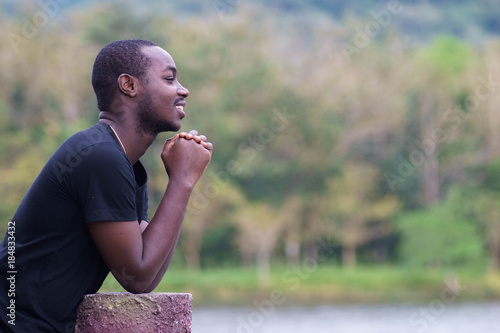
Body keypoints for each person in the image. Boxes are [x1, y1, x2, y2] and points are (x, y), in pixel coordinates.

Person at [0, 39, 212, 332]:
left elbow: (146, 275)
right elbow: (135, 276)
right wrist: (181, 180)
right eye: (169, 78)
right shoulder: (99, 157)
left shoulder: (125, 164)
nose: (182, 89)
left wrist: (182, 179)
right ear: (129, 85)